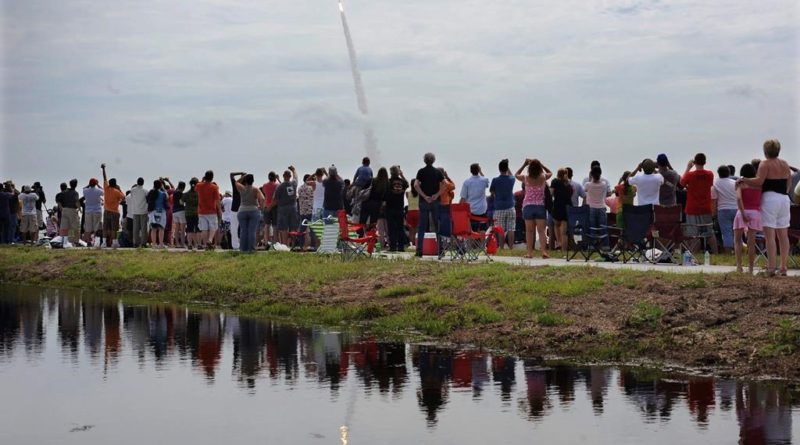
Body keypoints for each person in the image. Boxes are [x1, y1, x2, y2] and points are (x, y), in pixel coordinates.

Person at [738, 139, 792, 276]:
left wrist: (744, 179)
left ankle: (771, 267)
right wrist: (783, 191)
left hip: (770, 199)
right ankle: (783, 267)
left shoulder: (765, 164)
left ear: (765, 151)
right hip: (784, 199)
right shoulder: (785, 164)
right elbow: (789, 182)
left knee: (770, 236)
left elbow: (759, 181)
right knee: (783, 235)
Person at [516, 159, 552, 258]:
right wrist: (542, 165)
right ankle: (544, 251)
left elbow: (516, 174)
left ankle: (530, 253)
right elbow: (550, 173)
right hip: (540, 206)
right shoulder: (543, 177)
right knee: (541, 231)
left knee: (529, 231)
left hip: (528, 206)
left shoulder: (526, 178)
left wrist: (524, 164)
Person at [733, 163, 762, 274]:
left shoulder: (740, 184)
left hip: (741, 212)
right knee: (751, 243)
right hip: (755, 213)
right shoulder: (759, 185)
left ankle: (739, 266)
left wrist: (743, 212)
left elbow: (739, 199)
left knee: (737, 240)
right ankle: (750, 268)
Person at [414, 153, 444, 257]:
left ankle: (419, 250)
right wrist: (436, 195)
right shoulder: (438, 172)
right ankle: (440, 250)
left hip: (424, 201)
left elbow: (416, 185)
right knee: (437, 226)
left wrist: (424, 195)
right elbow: (445, 184)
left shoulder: (421, 172)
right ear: (434, 160)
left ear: (424, 160)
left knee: (422, 226)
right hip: (435, 201)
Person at [231, 173, 265, 253]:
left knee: (243, 230)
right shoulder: (255, 189)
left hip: (242, 210)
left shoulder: (242, 188)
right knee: (252, 231)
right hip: (253, 210)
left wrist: (243, 177)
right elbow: (262, 199)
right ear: (253, 181)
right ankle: (251, 249)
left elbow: (236, 182)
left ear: (245, 181)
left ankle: (243, 249)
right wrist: (261, 207)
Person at [711, 165, 738, 254]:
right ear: (728, 172)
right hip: (736, 209)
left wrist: (713, 213)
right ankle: (738, 252)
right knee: (737, 232)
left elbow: (714, 199)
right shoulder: (734, 183)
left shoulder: (715, 183)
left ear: (718, 173)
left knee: (726, 233)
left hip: (723, 210)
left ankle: (728, 253)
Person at [491, 159, 517, 249]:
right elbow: (512, 175)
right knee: (511, 228)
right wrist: (507, 165)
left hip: (499, 207)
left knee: (500, 229)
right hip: (510, 206)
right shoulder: (511, 179)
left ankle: (501, 247)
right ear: (507, 169)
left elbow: (492, 192)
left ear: (499, 169)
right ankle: (511, 247)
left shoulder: (495, 180)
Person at [584, 166, 609, 251]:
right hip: (601, 207)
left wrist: (590, 178)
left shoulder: (588, 185)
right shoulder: (604, 185)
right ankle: (605, 246)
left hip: (591, 208)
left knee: (592, 228)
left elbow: (585, 190)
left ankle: (592, 246)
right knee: (603, 228)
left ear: (592, 174)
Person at [101, 164, 125, 248]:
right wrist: (119, 188)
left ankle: (103, 243)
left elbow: (104, 178)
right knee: (114, 228)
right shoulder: (117, 191)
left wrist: (103, 169)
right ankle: (114, 243)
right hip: (114, 212)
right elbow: (124, 198)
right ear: (115, 184)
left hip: (106, 211)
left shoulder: (106, 188)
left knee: (105, 228)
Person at [460, 163, 490, 231]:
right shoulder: (484, 180)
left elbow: (463, 198)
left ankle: (473, 241)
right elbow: (485, 180)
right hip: (482, 209)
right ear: (478, 170)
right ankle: (482, 241)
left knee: (472, 230)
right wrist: (481, 171)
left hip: (472, 210)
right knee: (483, 229)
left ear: (470, 171)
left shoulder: (467, 182)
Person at [196, 170, 221, 249]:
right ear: (212, 178)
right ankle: (210, 240)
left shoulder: (199, 185)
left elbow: (197, 187)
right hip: (212, 211)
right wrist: (219, 210)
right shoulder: (214, 187)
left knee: (204, 228)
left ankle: (206, 243)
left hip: (201, 210)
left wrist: (202, 180)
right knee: (213, 227)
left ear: (205, 176)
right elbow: (217, 200)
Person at [386, 166, 409, 252]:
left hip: (390, 207)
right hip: (400, 207)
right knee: (400, 228)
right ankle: (401, 247)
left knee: (391, 228)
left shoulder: (388, 182)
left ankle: (392, 247)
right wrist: (402, 175)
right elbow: (407, 183)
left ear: (391, 172)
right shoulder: (402, 182)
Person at [550, 169, 572, 255]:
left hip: (558, 206)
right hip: (567, 208)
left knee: (556, 224)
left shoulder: (555, 181)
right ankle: (564, 250)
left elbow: (551, 193)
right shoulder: (568, 184)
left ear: (558, 174)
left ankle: (559, 242)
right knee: (564, 233)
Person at [274, 167, 299, 245]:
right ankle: (293, 244)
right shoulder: (294, 184)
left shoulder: (279, 187)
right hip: (293, 208)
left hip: (283, 208)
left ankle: (285, 245)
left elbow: (275, 199)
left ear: (283, 176)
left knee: (284, 228)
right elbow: (296, 177)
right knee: (293, 227)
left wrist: (269, 208)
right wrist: (294, 170)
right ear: (290, 176)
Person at [297, 174, 317, 250]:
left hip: (302, 211)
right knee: (312, 230)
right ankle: (313, 246)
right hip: (311, 210)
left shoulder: (300, 188)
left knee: (302, 229)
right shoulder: (311, 188)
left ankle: (300, 245)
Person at [146, 180, 168, 248]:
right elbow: (167, 197)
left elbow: (147, 200)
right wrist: (163, 188)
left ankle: (154, 244)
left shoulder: (151, 192)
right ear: (160, 185)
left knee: (153, 229)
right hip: (161, 212)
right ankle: (161, 244)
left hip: (153, 212)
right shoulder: (163, 193)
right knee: (161, 228)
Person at [82, 177, 104, 246]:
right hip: (97, 210)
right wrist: (98, 184)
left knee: (88, 228)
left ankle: (88, 242)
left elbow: (84, 188)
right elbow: (103, 191)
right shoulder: (98, 191)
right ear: (95, 184)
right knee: (97, 227)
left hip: (88, 211)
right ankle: (96, 241)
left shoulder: (85, 191)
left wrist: (88, 185)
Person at [59, 179, 81, 246]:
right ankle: (73, 242)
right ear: (76, 185)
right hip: (72, 210)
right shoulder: (75, 193)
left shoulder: (64, 192)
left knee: (65, 226)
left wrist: (61, 209)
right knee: (74, 227)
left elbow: (59, 201)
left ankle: (64, 241)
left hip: (64, 210)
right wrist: (80, 209)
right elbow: (77, 201)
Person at [128, 178, 149, 247]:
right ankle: (143, 243)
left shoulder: (132, 190)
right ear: (143, 183)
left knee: (135, 228)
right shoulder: (145, 191)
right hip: (143, 210)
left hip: (135, 211)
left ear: (137, 182)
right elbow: (147, 200)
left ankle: (135, 243)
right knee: (143, 228)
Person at [261, 172, 279, 246]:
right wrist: (277, 180)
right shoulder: (277, 185)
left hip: (266, 206)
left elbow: (265, 193)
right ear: (275, 178)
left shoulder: (264, 185)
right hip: (275, 206)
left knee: (267, 225)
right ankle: (275, 242)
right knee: (275, 225)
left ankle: (266, 242)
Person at [181, 178, 200, 250]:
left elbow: (181, 202)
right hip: (197, 213)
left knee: (189, 229)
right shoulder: (198, 194)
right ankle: (198, 244)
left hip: (188, 213)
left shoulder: (186, 194)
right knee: (198, 229)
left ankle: (189, 244)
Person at [437, 168, 456, 240]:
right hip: (445, 205)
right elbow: (453, 186)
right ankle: (445, 239)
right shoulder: (445, 182)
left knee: (437, 224)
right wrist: (447, 177)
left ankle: (439, 241)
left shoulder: (433, 182)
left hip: (435, 204)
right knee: (445, 224)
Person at [171, 181, 187, 248]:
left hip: (174, 211)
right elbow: (181, 202)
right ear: (183, 187)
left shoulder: (174, 193)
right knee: (182, 229)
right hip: (181, 211)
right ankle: (182, 243)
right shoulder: (181, 194)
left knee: (177, 228)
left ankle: (177, 243)